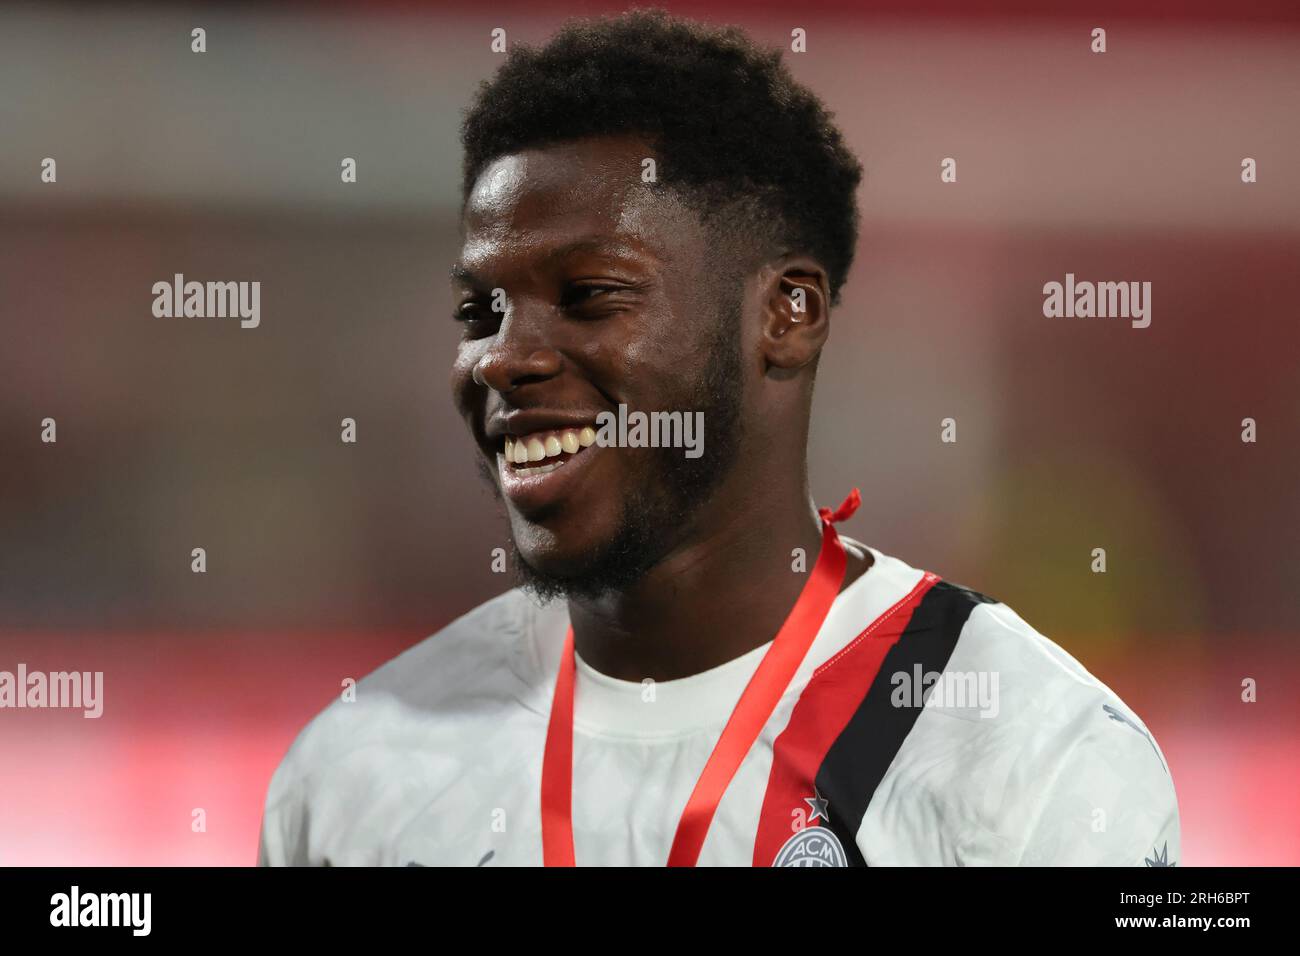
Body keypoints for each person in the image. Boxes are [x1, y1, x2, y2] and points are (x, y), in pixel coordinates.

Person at [259, 10, 1179, 867]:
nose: (501, 359)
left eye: (590, 296)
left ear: (788, 314)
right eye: (480, 311)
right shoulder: (353, 775)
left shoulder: (1036, 762)